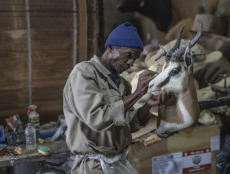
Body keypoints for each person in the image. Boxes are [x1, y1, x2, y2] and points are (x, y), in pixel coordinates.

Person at [63, 22, 171, 174]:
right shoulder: (84, 73)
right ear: (111, 48)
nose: (131, 63)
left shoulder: (122, 84)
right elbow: (97, 119)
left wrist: (148, 105)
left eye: (135, 59)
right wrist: (138, 94)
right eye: (128, 55)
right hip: (94, 166)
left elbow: (127, 126)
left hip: (119, 161)